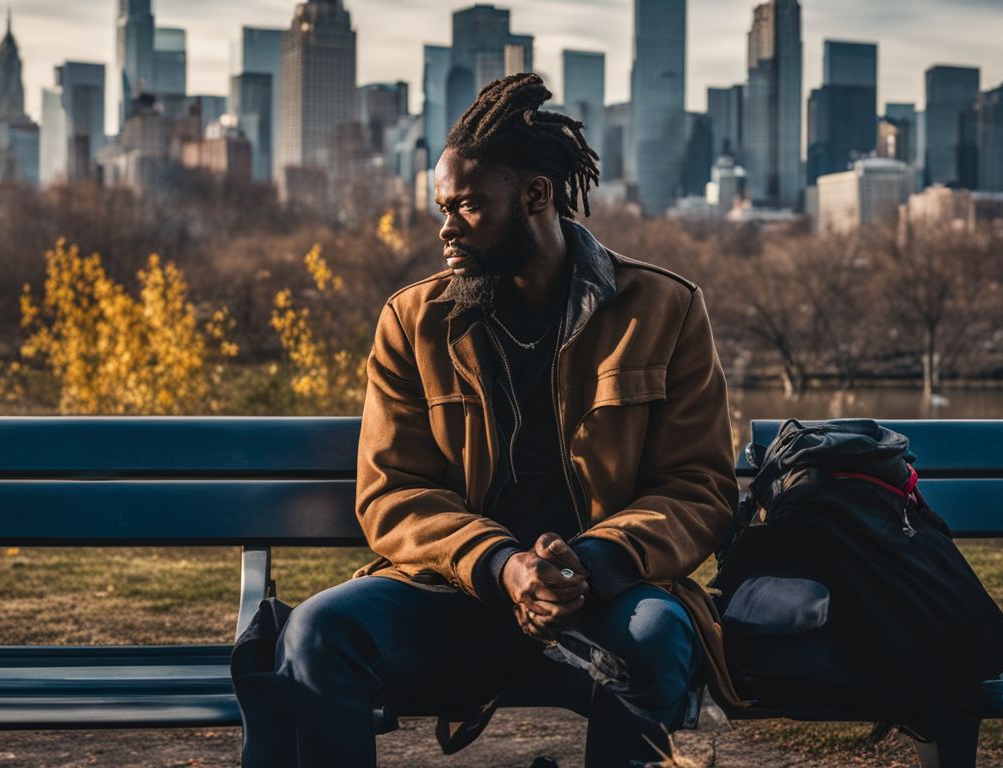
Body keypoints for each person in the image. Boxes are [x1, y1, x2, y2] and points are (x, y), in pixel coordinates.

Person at [272, 72, 739, 767]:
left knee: (659, 636)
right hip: (456, 592)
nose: (445, 227)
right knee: (316, 632)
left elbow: (697, 486)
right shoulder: (413, 322)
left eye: (467, 206)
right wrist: (501, 564)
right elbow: (391, 491)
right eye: (441, 206)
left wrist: (589, 563)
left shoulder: (663, 309)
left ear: (536, 196)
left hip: (605, 597)